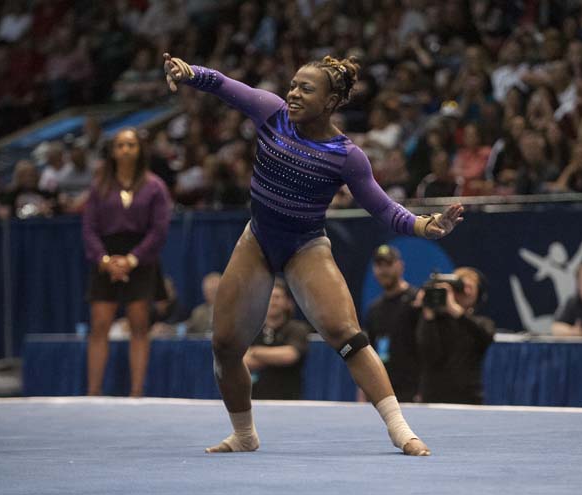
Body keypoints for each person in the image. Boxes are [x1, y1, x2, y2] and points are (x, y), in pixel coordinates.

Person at [163, 53, 464, 456]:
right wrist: (189, 73)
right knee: (225, 347)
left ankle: (400, 430)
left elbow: (384, 209)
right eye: (292, 85)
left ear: (330, 102)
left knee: (348, 337)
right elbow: (222, 84)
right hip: (257, 241)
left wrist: (426, 225)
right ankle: (245, 434)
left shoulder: (346, 155)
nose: (293, 94)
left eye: (306, 89)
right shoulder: (271, 113)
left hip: (305, 246)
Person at [82, 127, 171, 397]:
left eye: (131, 144)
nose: (125, 149)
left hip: (141, 259)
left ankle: (136, 394)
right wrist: (105, 260)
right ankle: (93, 393)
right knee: (99, 325)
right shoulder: (99, 186)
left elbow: (159, 229)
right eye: (120, 145)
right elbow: (89, 228)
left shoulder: (155, 186)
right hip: (106, 258)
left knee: (139, 326)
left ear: (139, 150)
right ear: (112, 151)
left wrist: (132, 260)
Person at [415, 267, 495, 405]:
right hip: (434, 398)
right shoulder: (435, 321)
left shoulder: (482, 323)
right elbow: (428, 353)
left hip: (468, 398)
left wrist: (455, 310)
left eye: (471, 287)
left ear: (478, 292)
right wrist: (428, 313)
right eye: (462, 286)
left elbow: (486, 337)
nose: (467, 291)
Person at [362, 245, 420, 403]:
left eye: (388, 264)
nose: (383, 270)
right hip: (384, 394)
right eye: (378, 265)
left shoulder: (417, 301)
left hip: (413, 393)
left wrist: (423, 391)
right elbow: (368, 355)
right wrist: (363, 395)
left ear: (400, 266)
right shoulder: (374, 310)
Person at [244, 278, 311, 400]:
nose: (272, 301)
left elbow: (290, 355)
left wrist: (254, 352)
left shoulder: (297, 329)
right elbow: (243, 361)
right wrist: (274, 357)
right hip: (255, 401)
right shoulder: (252, 330)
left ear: (287, 302)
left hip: (288, 401)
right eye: (269, 297)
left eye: (277, 297)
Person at [182, 271, 221, 337]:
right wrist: (167, 329)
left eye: (215, 291)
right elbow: (186, 328)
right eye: (208, 291)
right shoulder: (198, 312)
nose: (212, 295)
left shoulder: (232, 311)